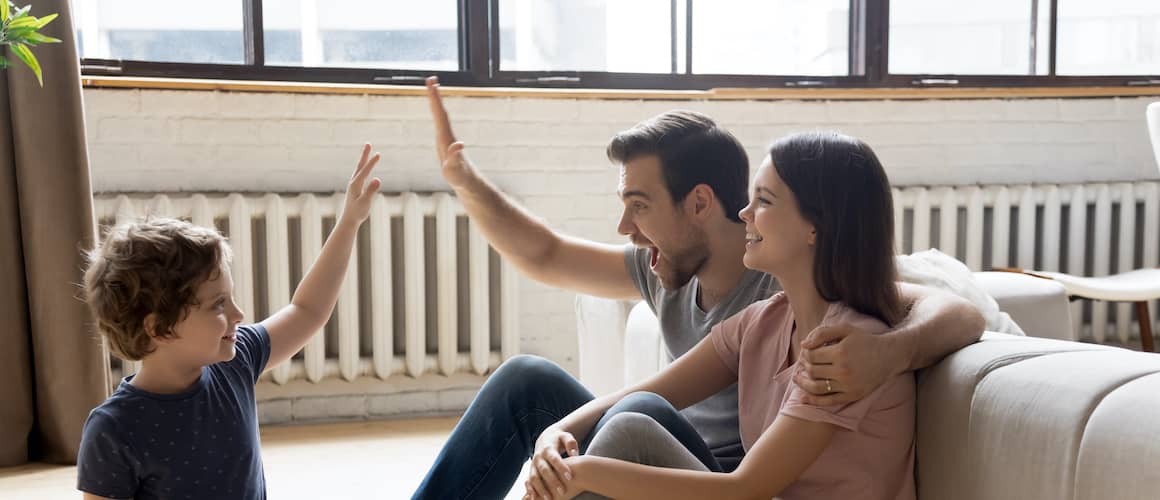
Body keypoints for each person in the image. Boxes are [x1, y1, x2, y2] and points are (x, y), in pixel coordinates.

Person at [413, 77, 984, 500]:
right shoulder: (743, 308)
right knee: (547, 387)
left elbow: (952, 307)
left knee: (633, 418)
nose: (625, 230)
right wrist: (555, 433)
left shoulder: (832, 337)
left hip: (730, 478)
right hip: (708, 469)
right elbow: (546, 256)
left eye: (639, 206)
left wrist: (889, 352)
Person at [537, 131, 916, 500]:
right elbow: (647, 393)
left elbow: (745, 490)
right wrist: (556, 430)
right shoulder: (764, 321)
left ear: (816, 227)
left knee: (628, 435)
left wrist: (582, 473)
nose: (744, 213)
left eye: (764, 201)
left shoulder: (840, 352)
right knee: (631, 419)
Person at [76, 144, 383, 500]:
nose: (239, 315)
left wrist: (349, 222)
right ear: (159, 328)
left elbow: (308, 310)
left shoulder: (235, 362)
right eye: (218, 305)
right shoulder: (113, 429)